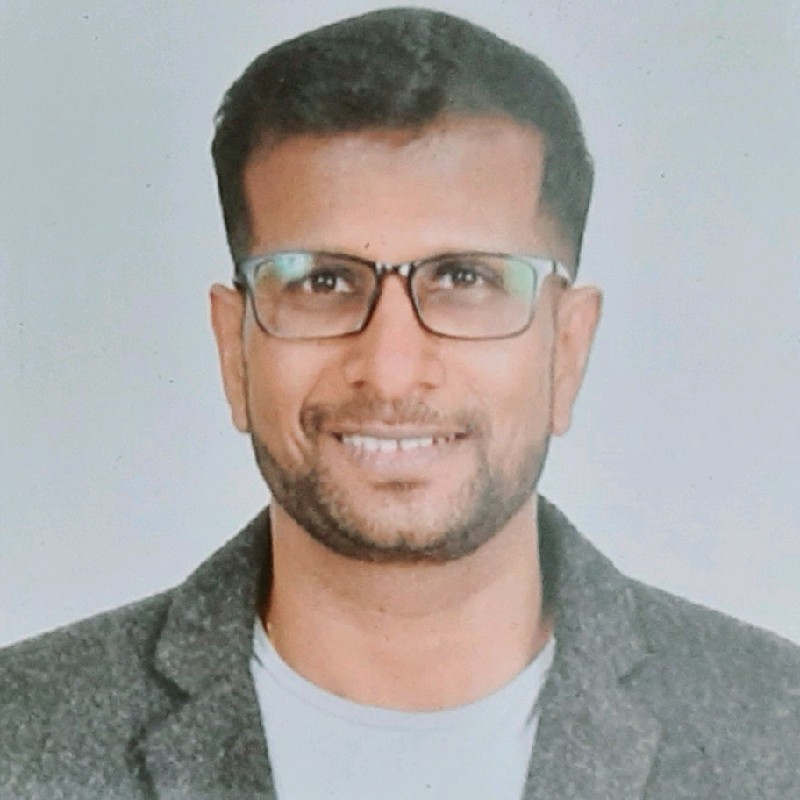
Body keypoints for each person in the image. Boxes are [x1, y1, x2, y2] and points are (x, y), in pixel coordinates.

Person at [1, 7, 798, 799]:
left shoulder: (778, 736)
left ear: (567, 349)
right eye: (322, 281)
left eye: (464, 278)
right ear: (232, 348)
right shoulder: (21, 737)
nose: (389, 372)